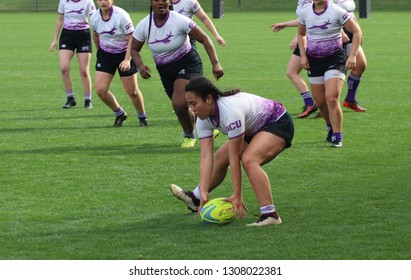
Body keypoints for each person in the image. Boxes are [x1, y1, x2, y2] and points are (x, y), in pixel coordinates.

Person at [171, 77, 294, 226]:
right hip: (252, 128)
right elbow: (206, 157)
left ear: (209, 98)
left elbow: (234, 156)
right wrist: (204, 190)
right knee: (219, 159)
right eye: (189, 104)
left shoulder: (230, 112)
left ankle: (270, 214)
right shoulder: (203, 119)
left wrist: (237, 194)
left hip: (277, 122)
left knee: (250, 160)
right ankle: (197, 198)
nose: (191, 109)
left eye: (194, 103)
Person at [131, 0, 224, 148]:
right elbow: (134, 49)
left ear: (169, 2)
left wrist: (215, 63)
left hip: (188, 63)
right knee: (183, 106)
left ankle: (189, 135)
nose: (160, 2)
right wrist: (140, 65)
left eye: (164, 0)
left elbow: (204, 39)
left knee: (179, 102)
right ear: (151, 3)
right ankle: (205, 124)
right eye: (156, 0)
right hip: (165, 70)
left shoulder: (179, 20)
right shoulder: (144, 25)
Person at [297, 0, 362, 147]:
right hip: (314, 61)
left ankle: (338, 136)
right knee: (320, 102)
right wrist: (303, 55)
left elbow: (357, 31)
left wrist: (352, 55)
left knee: (331, 98)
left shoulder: (337, 11)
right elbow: (301, 34)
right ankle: (330, 127)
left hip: (335, 59)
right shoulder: (305, 11)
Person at [90, 0, 148, 127]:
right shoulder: (94, 17)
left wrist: (127, 59)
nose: (103, 2)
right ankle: (119, 113)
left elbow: (132, 38)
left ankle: (142, 116)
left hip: (124, 53)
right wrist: (100, 52)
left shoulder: (121, 15)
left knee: (132, 91)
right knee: (101, 90)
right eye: (100, 0)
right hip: (106, 54)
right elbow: (95, 35)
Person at [271, 0, 318, 119]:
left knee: (294, 72)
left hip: (312, 40)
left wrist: (297, 37)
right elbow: (303, 19)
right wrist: (285, 24)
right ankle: (314, 105)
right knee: (293, 72)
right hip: (309, 38)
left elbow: (311, 18)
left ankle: (313, 105)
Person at [49, 0, 95, 109]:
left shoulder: (88, 2)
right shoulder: (63, 1)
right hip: (67, 35)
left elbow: (94, 20)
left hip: (83, 35)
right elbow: (60, 19)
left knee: (84, 71)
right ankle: (70, 99)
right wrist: (55, 39)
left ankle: (88, 99)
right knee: (64, 68)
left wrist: (98, 36)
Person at [332, 0, 367, 112]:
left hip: (351, 30)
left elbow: (350, 12)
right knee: (335, 69)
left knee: (360, 65)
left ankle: (350, 100)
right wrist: (341, 32)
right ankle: (327, 105)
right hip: (335, 31)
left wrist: (358, 29)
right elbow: (326, 11)